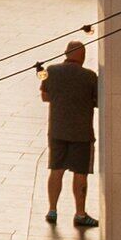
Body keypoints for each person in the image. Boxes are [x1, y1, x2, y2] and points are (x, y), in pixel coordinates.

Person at [41, 39, 102, 229]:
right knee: (80, 174)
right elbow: (98, 101)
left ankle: (52, 210)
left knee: (56, 170)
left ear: (66, 54)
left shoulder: (51, 71)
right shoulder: (90, 76)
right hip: (82, 134)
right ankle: (80, 213)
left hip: (57, 130)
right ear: (82, 56)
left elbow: (44, 96)